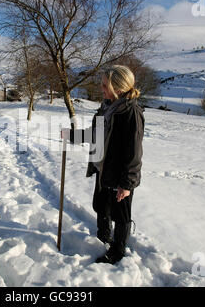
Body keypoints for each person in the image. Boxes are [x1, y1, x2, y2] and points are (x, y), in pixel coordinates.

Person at [63, 65, 144, 264]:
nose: (101, 88)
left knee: (121, 214)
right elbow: (95, 134)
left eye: (105, 85)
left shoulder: (130, 112)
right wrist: (73, 135)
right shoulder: (107, 107)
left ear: (118, 87)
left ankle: (117, 251)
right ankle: (103, 236)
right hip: (103, 169)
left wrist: (127, 184)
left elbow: (134, 152)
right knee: (101, 206)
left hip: (120, 174)